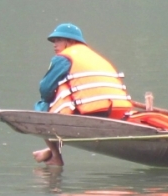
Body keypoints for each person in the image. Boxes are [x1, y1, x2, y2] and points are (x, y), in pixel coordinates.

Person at [32, 23, 134, 162]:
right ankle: (50, 150)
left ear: (70, 41)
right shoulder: (97, 57)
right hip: (114, 111)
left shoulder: (64, 58)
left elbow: (45, 89)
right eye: (54, 41)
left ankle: (55, 156)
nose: (54, 45)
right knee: (66, 93)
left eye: (59, 40)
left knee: (42, 105)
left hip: (88, 110)